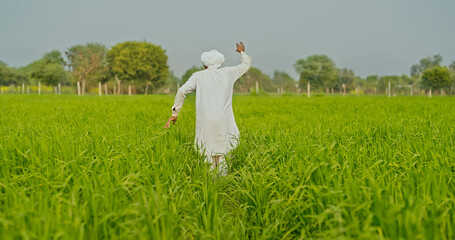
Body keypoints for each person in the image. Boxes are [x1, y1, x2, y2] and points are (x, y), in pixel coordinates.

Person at [164, 42, 252, 175]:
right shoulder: (229, 73)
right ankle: (223, 184)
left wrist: (175, 113)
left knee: (208, 154)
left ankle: (210, 184)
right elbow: (246, 65)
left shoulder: (198, 76)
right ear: (220, 63)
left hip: (205, 121)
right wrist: (242, 53)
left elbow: (181, 91)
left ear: (204, 65)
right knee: (223, 155)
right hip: (223, 120)